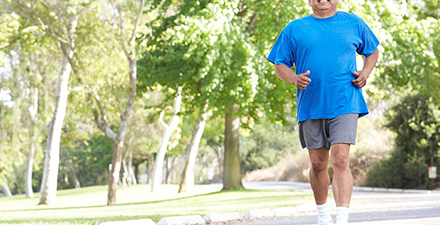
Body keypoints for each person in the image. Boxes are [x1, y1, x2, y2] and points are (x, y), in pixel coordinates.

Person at [267, 0, 379, 225]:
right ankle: (322, 216)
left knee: (341, 159)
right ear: (309, 0)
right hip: (311, 103)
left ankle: (342, 219)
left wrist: (365, 73)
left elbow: (372, 51)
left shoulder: (353, 23)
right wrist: (293, 78)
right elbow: (279, 63)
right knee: (318, 164)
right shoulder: (295, 28)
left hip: (345, 100)